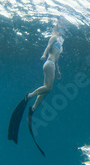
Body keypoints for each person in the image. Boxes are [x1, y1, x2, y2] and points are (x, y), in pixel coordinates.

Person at [8, 22, 66, 156]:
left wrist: (58, 72)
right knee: (48, 88)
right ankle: (29, 96)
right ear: (57, 31)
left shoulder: (61, 47)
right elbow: (47, 47)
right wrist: (44, 55)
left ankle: (33, 108)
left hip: (52, 65)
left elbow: (57, 60)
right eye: (60, 31)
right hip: (48, 63)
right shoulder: (54, 38)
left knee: (47, 90)